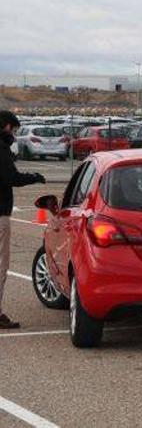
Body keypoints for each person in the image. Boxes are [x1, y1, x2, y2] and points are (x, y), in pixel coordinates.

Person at [0, 110, 46, 329]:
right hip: (0, 214)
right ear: (6, 126)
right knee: (1, 265)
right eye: (13, 128)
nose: (14, 134)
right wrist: (34, 177)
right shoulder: (1, 149)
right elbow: (12, 178)